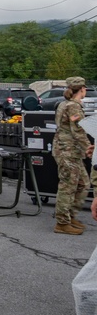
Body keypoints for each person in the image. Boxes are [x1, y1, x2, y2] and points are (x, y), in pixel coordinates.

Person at [53, 77, 94, 236]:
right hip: (66, 151)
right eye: (84, 89)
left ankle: (70, 217)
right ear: (81, 90)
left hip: (71, 152)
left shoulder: (66, 104)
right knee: (68, 185)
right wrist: (90, 150)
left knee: (84, 183)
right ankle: (62, 222)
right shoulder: (73, 107)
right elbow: (79, 131)